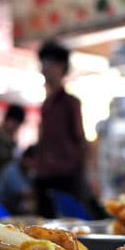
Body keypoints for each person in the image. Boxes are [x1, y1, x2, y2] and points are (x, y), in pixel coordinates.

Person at [35, 40, 95, 219]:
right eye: (43, 63)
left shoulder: (70, 103)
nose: (44, 69)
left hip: (67, 178)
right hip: (45, 178)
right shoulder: (46, 106)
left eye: (49, 63)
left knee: (72, 226)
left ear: (62, 67)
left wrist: (85, 175)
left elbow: (80, 140)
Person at [0, 144, 38, 215]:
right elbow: (24, 193)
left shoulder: (28, 172)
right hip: (2, 207)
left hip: (14, 206)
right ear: (26, 159)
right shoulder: (12, 170)